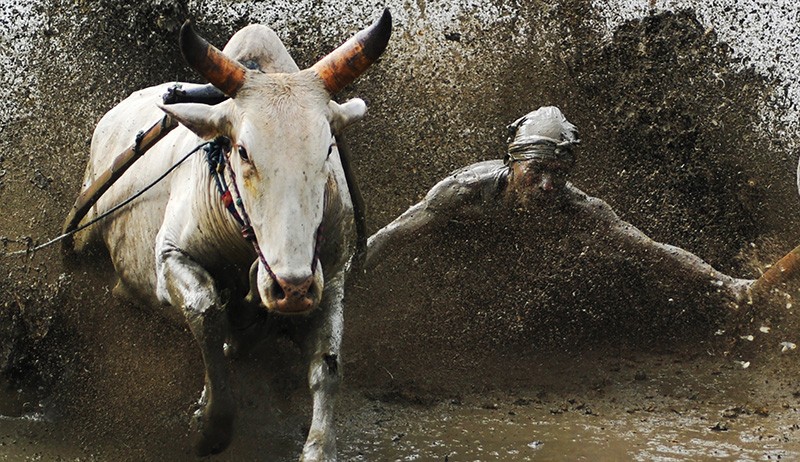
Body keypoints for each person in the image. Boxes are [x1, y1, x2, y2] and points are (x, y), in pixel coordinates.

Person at [363, 106, 756, 305]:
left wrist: (727, 284)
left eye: (559, 174)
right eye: (536, 171)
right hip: (451, 252)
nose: (549, 185)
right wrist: (340, 283)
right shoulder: (463, 190)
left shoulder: (577, 206)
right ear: (513, 163)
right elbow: (391, 236)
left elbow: (651, 250)